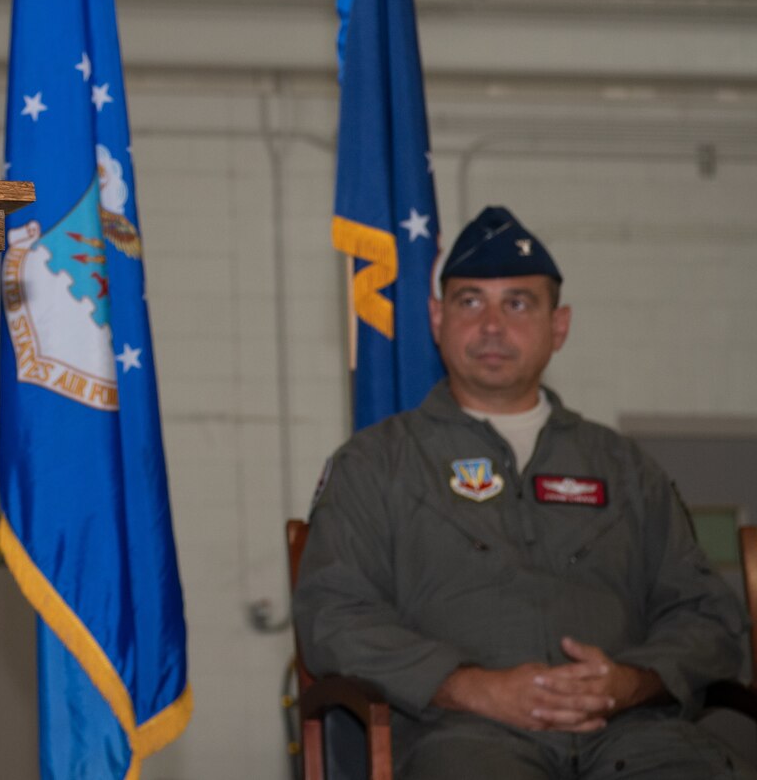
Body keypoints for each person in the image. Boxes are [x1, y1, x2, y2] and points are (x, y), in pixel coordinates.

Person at [294, 205, 754, 779]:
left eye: (517, 303)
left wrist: (632, 682)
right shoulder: (376, 463)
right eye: (469, 301)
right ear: (437, 319)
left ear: (558, 327)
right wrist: (468, 687)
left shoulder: (625, 468)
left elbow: (707, 615)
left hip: (633, 736)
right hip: (463, 739)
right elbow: (334, 615)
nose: (491, 325)